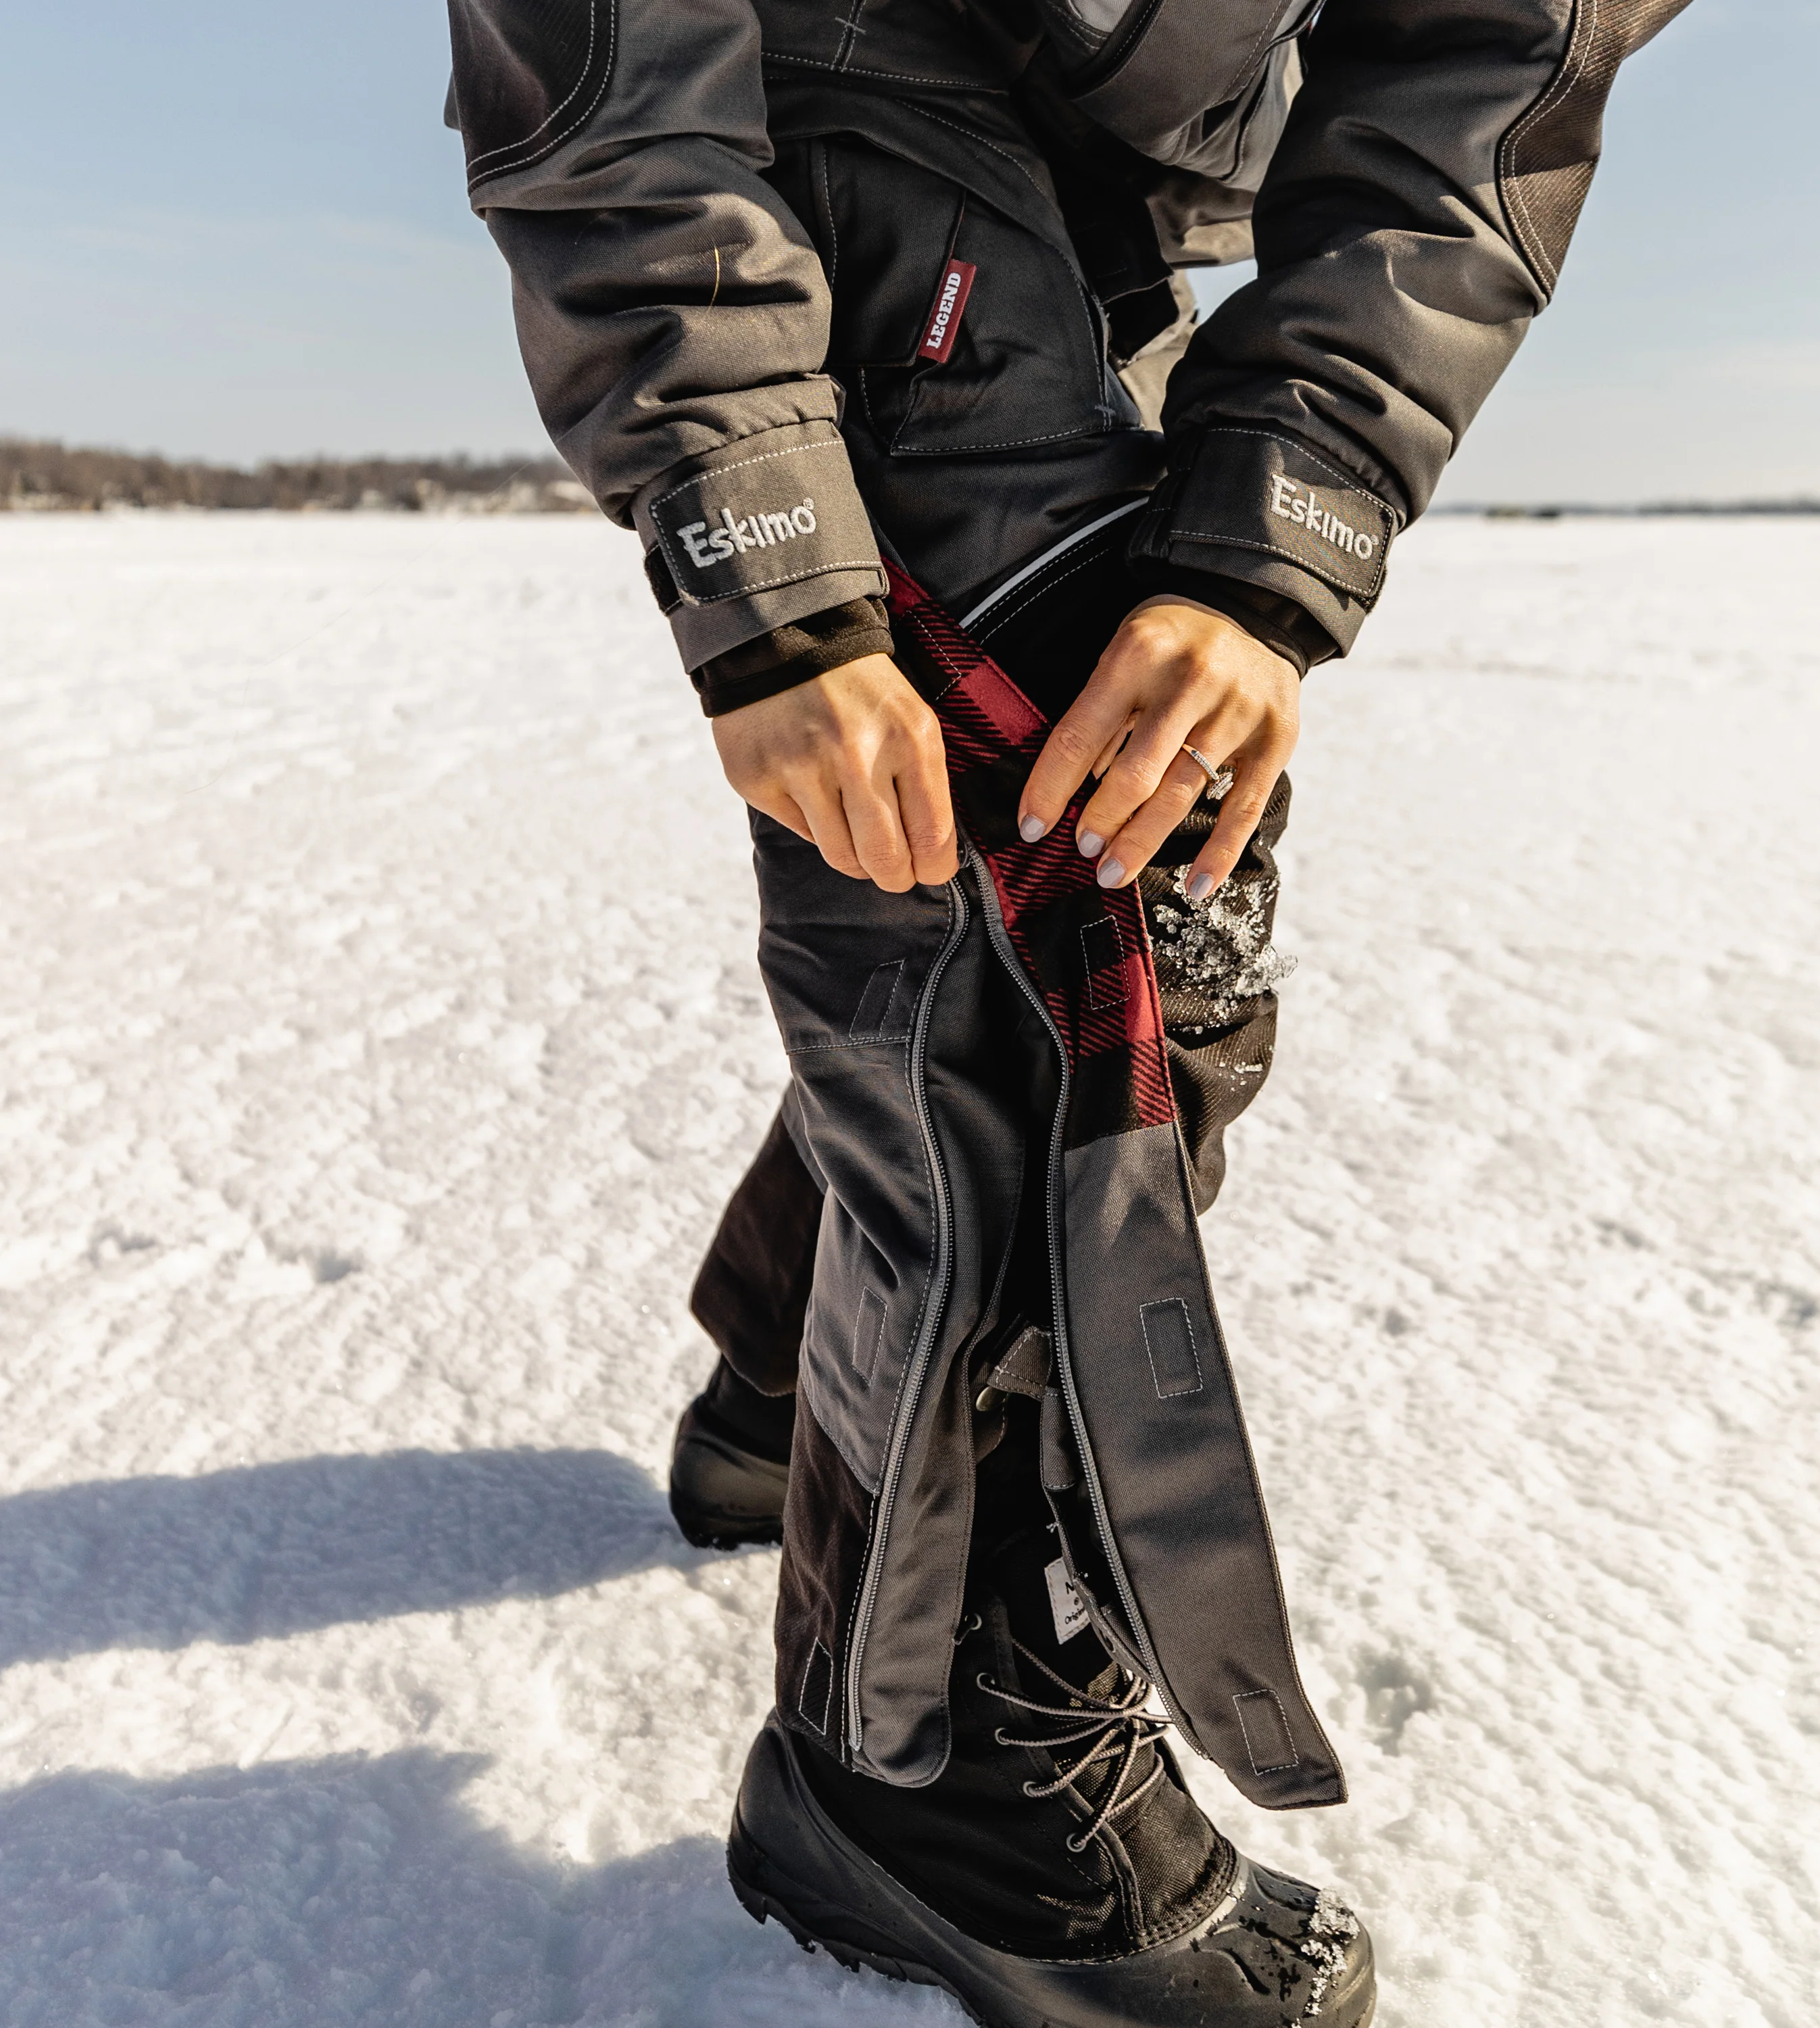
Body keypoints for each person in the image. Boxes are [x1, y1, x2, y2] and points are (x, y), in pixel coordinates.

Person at [446, 1, 1688, 2018]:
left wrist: (1285, 524)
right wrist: (768, 562)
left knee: (1018, 905)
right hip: (823, 94)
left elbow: (1491, 61)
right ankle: (920, 1777)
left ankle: (794, 1402)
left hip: (1127, 186)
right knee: (1084, 942)